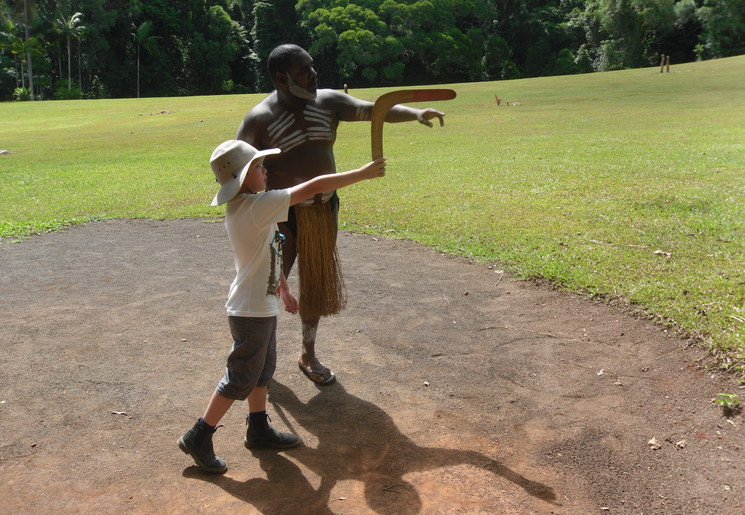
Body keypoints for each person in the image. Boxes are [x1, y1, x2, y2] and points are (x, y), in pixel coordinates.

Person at [236, 43, 446, 386]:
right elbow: (240, 169)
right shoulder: (260, 119)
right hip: (280, 216)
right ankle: (260, 357)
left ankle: (308, 353)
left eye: (312, 66)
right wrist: (253, 217)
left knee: (316, 284)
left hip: (323, 211)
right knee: (269, 285)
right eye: (304, 71)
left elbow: (373, 110)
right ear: (281, 78)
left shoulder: (328, 102)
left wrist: (415, 113)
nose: (314, 74)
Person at [178, 139, 386, 474]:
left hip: (261, 305)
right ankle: (198, 435)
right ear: (244, 177)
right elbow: (315, 186)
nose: (265, 171)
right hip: (249, 309)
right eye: (259, 167)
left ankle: (258, 428)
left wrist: (284, 288)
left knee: (262, 370)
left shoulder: (255, 207)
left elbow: (269, 251)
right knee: (240, 377)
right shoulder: (255, 207)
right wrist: (361, 174)